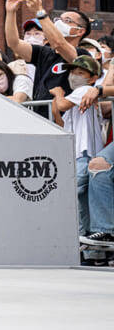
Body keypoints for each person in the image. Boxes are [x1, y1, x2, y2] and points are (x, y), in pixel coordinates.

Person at [50, 56, 114, 258]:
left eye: (80, 73)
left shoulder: (83, 91)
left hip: (85, 154)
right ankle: (93, 254)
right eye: (72, 72)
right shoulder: (79, 95)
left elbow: (61, 105)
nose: (74, 76)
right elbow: (60, 119)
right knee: (81, 201)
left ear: (93, 78)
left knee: (71, 193)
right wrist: (57, 102)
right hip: (77, 153)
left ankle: (79, 243)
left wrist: (57, 93)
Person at [4, 0, 99, 109]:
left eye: (67, 21)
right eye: (58, 19)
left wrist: (39, 11)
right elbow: (13, 43)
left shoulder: (81, 55)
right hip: (40, 116)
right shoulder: (43, 52)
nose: (59, 23)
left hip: (63, 117)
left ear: (80, 31)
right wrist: (10, 12)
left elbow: (59, 44)